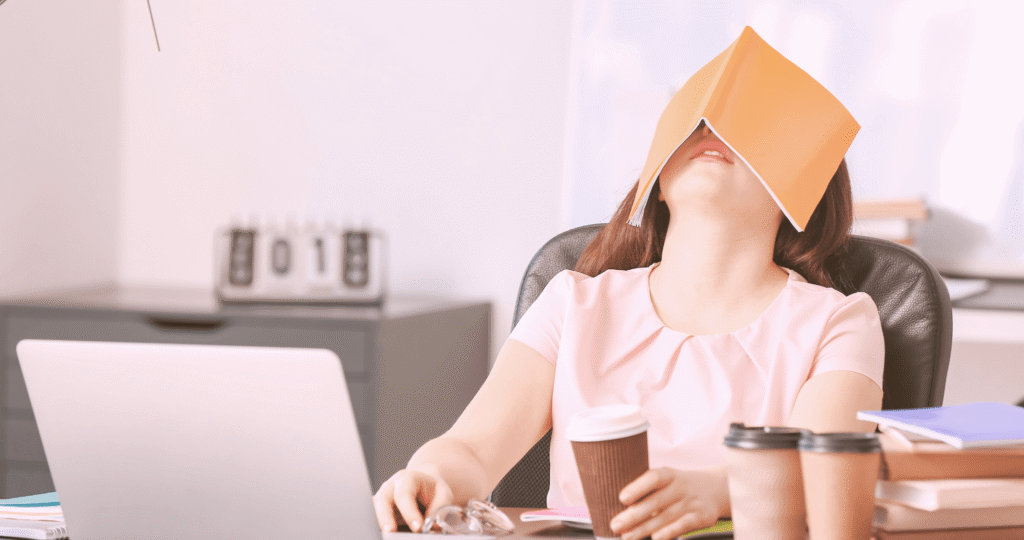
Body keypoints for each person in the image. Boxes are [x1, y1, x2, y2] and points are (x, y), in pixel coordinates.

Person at [374, 27, 884, 540]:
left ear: (800, 186)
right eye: (697, 123)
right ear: (658, 180)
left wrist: (716, 490)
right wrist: (429, 474)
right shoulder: (574, 304)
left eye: (748, 127)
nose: (712, 131)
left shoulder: (838, 321)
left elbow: (825, 465)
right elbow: (471, 448)